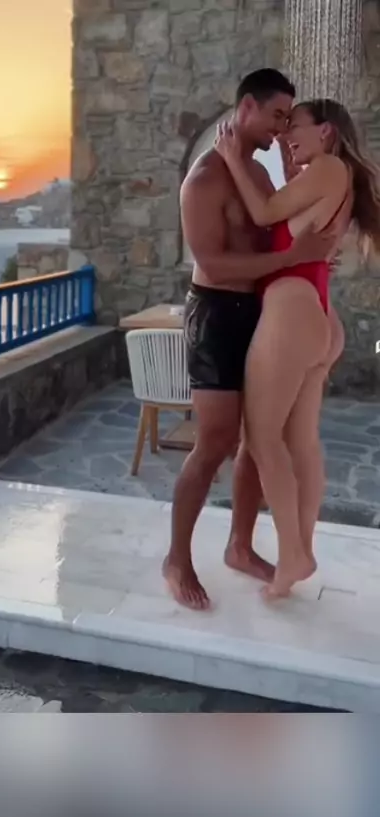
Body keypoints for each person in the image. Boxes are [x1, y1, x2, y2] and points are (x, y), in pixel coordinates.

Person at [162, 69, 336, 610]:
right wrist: (289, 260)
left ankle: (240, 545)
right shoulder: (202, 180)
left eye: (289, 118)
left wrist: (306, 254)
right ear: (246, 109)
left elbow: (275, 229)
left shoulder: (256, 172)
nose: (282, 127)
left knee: (260, 437)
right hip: (216, 314)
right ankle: (177, 559)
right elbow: (213, 263)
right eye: (277, 116)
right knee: (215, 440)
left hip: (257, 311)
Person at [215, 97, 380, 599]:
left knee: (261, 437)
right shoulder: (330, 175)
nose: (286, 135)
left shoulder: (328, 167)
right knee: (300, 441)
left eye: (296, 126)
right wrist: (288, 177)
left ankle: (294, 554)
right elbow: (295, 230)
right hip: (314, 315)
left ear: (325, 131)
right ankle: (300, 550)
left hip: (292, 312)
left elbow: (265, 212)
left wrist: (232, 159)